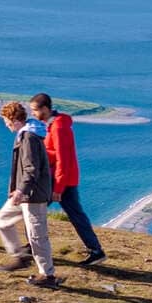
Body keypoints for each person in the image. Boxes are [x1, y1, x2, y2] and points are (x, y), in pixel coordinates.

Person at [33, 92, 106, 266]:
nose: (34, 114)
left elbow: (63, 159)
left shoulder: (58, 127)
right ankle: (95, 250)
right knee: (65, 213)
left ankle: (96, 251)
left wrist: (58, 188)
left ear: (45, 108)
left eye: (35, 110)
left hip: (62, 180)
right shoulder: (53, 124)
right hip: (61, 178)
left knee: (38, 210)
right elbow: (55, 153)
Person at [0, 100, 57, 287]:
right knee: (2, 220)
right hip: (24, 194)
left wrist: (21, 190)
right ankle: (20, 256)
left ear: (14, 120)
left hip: (33, 195)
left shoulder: (28, 137)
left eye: (6, 121)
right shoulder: (25, 134)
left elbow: (31, 169)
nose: (6, 125)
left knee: (37, 236)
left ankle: (48, 276)